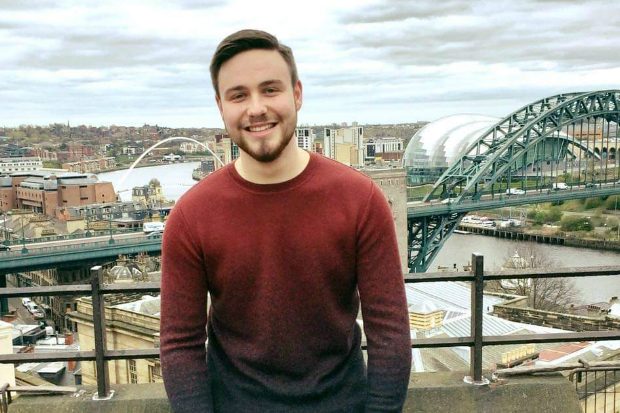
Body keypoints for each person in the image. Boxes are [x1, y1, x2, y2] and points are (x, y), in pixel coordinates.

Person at [160, 29, 411, 412]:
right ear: (220, 106)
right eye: (239, 95)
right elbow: (180, 345)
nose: (256, 108)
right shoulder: (191, 216)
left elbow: (390, 333)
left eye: (270, 89)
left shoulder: (360, 200)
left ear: (297, 94)